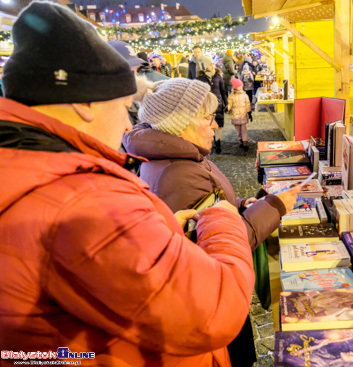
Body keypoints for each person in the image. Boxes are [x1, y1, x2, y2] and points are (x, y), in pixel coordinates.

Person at [0, 3, 255, 366]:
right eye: (122, 107)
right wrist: (222, 218)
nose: (126, 126)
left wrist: (165, 232)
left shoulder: (33, 169)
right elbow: (214, 310)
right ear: (87, 102)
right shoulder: (81, 199)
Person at [122, 76, 300, 367]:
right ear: (181, 124)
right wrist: (275, 206)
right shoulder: (178, 174)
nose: (216, 126)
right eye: (208, 119)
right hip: (211, 311)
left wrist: (243, 204)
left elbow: (213, 208)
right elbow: (219, 245)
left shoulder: (180, 156)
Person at [228, 77, 252, 151]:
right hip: (235, 115)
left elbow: (247, 104)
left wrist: (249, 112)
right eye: (239, 86)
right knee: (238, 130)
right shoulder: (231, 96)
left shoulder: (244, 95)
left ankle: (245, 142)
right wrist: (228, 109)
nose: (241, 87)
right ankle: (240, 140)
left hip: (243, 114)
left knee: (243, 129)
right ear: (235, 87)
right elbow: (230, 104)